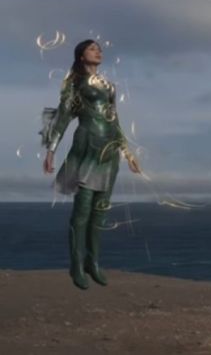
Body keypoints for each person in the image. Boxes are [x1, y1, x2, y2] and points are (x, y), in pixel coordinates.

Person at [42, 39, 141, 289]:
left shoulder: (109, 86)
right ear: (81, 55)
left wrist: (128, 154)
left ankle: (93, 261)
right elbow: (63, 115)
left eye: (99, 48)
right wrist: (51, 150)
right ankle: (76, 264)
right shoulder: (74, 82)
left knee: (100, 211)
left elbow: (114, 119)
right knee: (82, 210)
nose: (99, 51)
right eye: (92, 48)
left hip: (108, 151)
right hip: (86, 146)